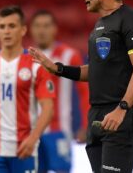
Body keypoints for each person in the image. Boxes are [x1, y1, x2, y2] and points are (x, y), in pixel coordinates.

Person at [29, 0, 133, 173]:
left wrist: (121, 109)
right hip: (98, 116)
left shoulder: (132, 20)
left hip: (119, 116)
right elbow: (94, 71)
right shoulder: (100, 26)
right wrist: (57, 68)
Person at [0, 5, 55, 173]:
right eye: (2, 26)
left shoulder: (36, 66)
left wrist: (33, 138)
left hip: (24, 150)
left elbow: (48, 108)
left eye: (12, 26)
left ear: (23, 30)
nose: (6, 31)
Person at [30, 10, 90, 173]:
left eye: (46, 26)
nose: (41, 30)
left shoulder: (69, 55)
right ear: (31, 29)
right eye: (37, 26)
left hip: (59, 130)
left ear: (55, 29)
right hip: (29, 131)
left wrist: (86, 125)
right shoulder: (24, 57)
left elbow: (85, 93)